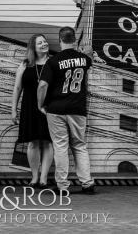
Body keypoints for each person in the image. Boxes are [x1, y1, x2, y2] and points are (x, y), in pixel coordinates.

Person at [37, 26, 95, 194]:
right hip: (78, 109)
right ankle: (87, 183)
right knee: (79, 145)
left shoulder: (53, 61)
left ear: (59, 40)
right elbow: (90, 59)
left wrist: (40, 104)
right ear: (75, 40)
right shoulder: (84, 60)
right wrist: (88, 52)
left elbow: (42, 85)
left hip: (56, 109)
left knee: (61, 147)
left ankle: (62, 186)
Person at [11, 34, 54, 188]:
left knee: (48, 143)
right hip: (29, 107)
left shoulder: (54, 62)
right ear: (33, 47)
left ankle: (44, 178)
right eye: (40, 43)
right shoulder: (25, 64)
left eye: (45, 41)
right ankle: (34, 177)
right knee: (32, 143)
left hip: (48, 108)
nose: (44, 44)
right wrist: (13, 109)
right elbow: (17, 88)